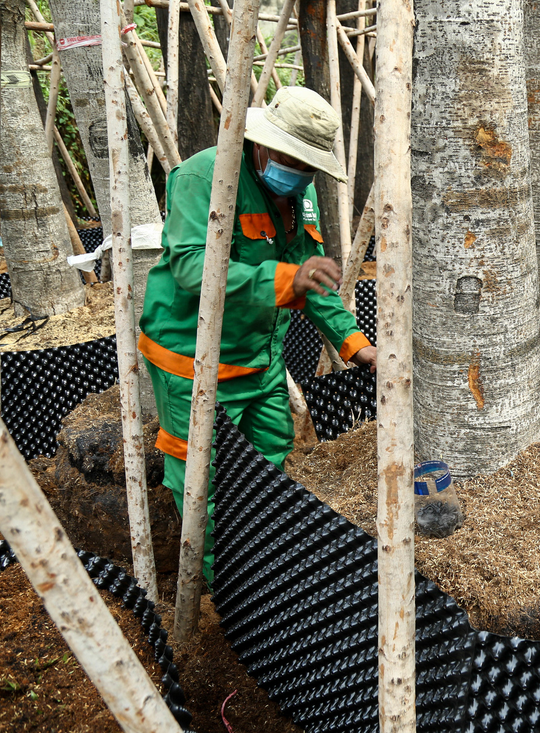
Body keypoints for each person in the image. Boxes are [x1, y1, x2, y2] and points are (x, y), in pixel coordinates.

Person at [139, 87, 376, 582]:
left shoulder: (297, 190)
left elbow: (312, 279)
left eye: (308, 166)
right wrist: (286, 280)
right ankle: (220, 588)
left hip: (263, 358)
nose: (298, 173)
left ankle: (261, 563)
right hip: (196, 361)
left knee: (271, 456)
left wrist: (356, 345)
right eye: (291, 160)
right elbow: (192, 270)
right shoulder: (203, 178)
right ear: (262, 144)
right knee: (202, 479)